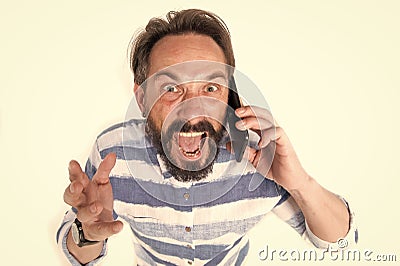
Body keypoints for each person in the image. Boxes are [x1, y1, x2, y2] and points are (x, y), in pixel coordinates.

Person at [57, 9, 357, 265]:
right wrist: (85, 234)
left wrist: (299, 183)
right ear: (142, 98)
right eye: (171, 88)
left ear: (229, 95)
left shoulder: (259, 157)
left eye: (211, 88)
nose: (192, 109)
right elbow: (75, 248)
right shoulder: (113, 154)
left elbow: (338, 244)